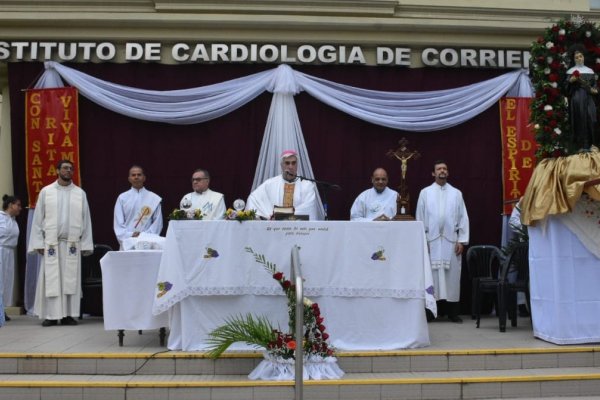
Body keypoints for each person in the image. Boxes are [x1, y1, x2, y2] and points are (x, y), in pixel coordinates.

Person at [28, 160, 93, 327]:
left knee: (70, 281)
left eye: (71, 169)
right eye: (65, 168)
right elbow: (38, 219)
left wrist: (85, 244)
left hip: (71, 244)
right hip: (51, 244)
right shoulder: (46, 192)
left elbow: (86, 221)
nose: (69, 171)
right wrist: (38, 243)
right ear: (57, 171)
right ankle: (51, 315)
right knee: (51, 280)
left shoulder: (80, 193)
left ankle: (68, 315)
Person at [416, 160, 469, 323]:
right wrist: (423, 241)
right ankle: (431, 312)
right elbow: (420, 217)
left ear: (448, 172)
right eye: (439, 169)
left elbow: (463, 218)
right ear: (433, 173)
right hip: (431, 241)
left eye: (445, 168)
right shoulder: (425, 193)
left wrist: (462, 240)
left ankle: (453, 312)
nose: (442, 171)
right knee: (432, 276)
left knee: (451, 277)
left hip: (450, 241)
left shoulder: (456, 193)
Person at [246, 150, 321, 220]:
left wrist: (279, 214)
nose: (291, 167)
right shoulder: (270, 184)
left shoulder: (307, 185)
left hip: (299, 230)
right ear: (281, 165)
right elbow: (253, 199)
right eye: (287, 163)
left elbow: (308, 209)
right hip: (275, 229)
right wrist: (268, 215)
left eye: (293, 163)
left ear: (297, 165)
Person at [114, 165, 163, 248]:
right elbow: (118, 223)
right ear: (129, 179)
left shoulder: (153, 198)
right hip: (128, 242)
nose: (136, 177)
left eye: (139, 174)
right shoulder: (122, 198)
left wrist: (144, 236)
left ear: (144, 178)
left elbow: (157, 223)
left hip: (148, 243)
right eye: (133, 175)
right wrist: (131, 235)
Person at [565, 45, 598, 150]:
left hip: (589, 98)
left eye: (581, 56)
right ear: (574, 59)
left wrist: (595, 89)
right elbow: (565, 89)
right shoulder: (570, 71)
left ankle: (592, 144)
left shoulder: (590, 71)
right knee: (580, 120)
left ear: (583, 57)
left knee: (591, 118)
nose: (579, 58)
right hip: (577, 98)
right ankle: (581, 146)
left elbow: (594, 85)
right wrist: (570, 81)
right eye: (577, 57)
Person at [0, 195, 22, 324]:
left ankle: (2, 309)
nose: (20, 208)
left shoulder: (13, 220)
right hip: (0, 251)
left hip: (9, 253)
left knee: (6, 281)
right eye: (17, 205)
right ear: (10, 205)